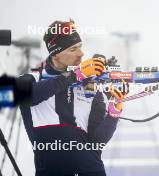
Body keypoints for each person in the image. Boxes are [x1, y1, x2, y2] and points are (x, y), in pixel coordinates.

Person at [19, 20, 127, 176]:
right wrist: (73, 76)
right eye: (73, 49)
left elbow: (96, 143)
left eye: (81, 47)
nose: (81, 53)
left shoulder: (89, 86)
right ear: (55, 53)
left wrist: (114, 113)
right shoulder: (32, 79)